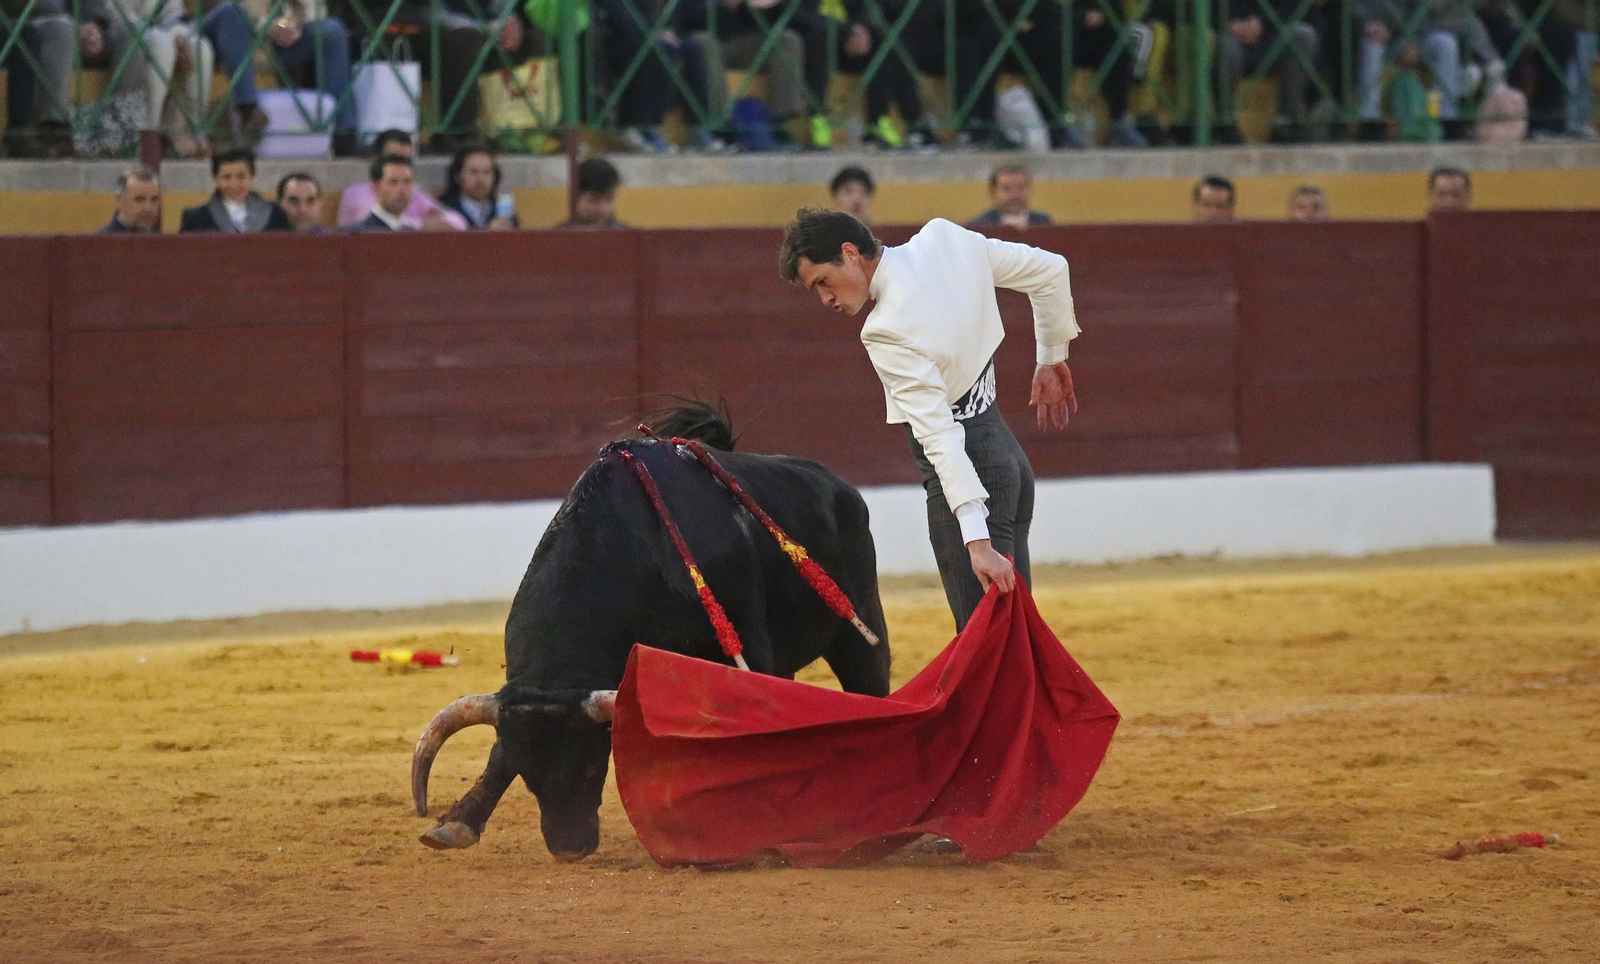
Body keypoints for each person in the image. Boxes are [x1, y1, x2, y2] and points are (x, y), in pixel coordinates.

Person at [779, 208, 1079, 631]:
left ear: (849, 253)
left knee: (988, 644)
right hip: (1008, 462)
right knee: (1013, 635)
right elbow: (1051, 270)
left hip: (971, 487)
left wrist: (976, 540)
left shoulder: (886, 329)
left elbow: (940, 436)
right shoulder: (945, 240)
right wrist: (1050, 357)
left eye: (823, 282)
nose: (826, 299)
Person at [201, 0, 356, 154]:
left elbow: (304, 10)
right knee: (230, 11)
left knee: (332, 31)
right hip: (215, 29)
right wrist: (263, 24)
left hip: (268, 43)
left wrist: (286, 25)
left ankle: (343, 134)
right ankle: (248, 112)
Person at [81, 0, 214, 158]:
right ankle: (150, 134)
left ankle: (193, 131)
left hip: (163, 32)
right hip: (125, 31)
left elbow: (174, 15)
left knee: (202, 48)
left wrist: (178, 35)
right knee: (163, 46)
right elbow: (112, 14)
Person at [1212, 0, 1322, 143]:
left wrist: (1262, 22)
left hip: (1270, 35)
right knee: (1227, 48)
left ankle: (1285, 122)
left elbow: (1294, 7)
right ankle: (1226, 124)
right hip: (1230, 36)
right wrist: (1227, 26)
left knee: (1303, 35)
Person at [336, 130, 466, 230]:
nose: (401, 188)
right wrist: (421, 225)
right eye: (394, 157)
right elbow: (379, 223)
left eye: (407, 160)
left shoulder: (414, 192)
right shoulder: (357, 193)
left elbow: (458, 222)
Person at [179, 148, 292, 232]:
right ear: (215, 178)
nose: (234, 185)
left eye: (241, 177)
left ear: (252, 176)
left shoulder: (275, 213)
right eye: (226, 177)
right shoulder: (196, 218)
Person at [438, 146, 520, 230]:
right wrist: (487, 232)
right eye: (473, 172)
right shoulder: (442, 209)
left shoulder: (504, 213)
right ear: (457, 177)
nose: (480, 179)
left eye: (486, 172)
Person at [968, 164, 1052, 229]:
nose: (1014, 195)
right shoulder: (979, 226)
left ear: (1030, 190)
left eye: (1021, 188)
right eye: (1006, 189)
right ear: (993, 192)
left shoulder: (1044, 223)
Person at [348, 154, 418, 231]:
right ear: (376, 187)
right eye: (393, 182)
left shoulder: (412, 232)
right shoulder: (357, 233)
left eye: (407, 182)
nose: (402, 190)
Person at [558, 158, 628, 229]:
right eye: (594, 200)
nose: (603, 209)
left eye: (609, 199)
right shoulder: (557, 235)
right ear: (575, 199)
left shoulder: (628, 235)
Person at [99, 166, 163, 234]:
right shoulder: (102, 239)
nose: (148, 208)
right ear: (120, 199)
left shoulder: (160, 239)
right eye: (139, 199)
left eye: (154, 199)